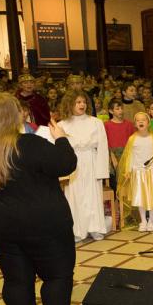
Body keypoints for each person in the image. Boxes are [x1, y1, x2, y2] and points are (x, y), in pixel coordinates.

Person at [0, 93, 77, 305]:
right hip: (46, 225)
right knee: (56, 277)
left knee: (17, 281)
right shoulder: (30, 144)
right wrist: (61, 139)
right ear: (13, 116)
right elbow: (66, 164)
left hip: (2, 228)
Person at [59, 92, 110, 242]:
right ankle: (77, 230)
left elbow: (102, 146)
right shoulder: (62, 124)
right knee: (75, 196)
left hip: (91, 160)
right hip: (72, 162)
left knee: (92, 195)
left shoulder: (96, 122)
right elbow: (60, 147)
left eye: (83, 102)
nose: (82, 105)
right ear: (69, 104)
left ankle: (95, 228)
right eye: (77, 102)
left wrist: (102, 169)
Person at [117, 112, 153, 232]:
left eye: (143, 120)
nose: (141, 122)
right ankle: (143, 220)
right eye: (138, 120)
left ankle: (151, 220)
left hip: (152, 171)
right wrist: (128, 169)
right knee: (140, 197)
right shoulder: (132, 139)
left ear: (148, 123)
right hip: (138, 172)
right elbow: (130, 156)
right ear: (135, 124)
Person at [103, 98, 135, 184]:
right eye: (117, 109)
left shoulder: (129, 124)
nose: (120, 111)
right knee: (115, 181)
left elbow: (133, 142)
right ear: (111, 111)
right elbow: (105, 143)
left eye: (121, 108)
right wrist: (112, 157)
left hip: (127, 154)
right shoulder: (106, 125)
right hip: (113, 156)